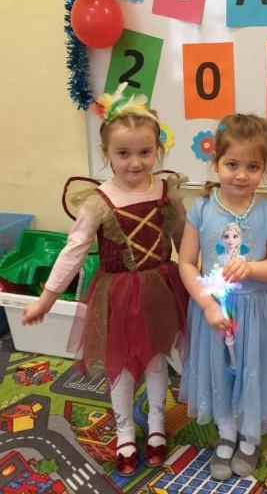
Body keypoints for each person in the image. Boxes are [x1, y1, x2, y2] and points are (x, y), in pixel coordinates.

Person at [22, 83, 188, 477]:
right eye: (123, 153)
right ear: (106, 152)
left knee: (156, 359)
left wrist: (200, 281)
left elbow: (185, 240)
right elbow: (74, 250)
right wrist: (47, 299)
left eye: (145, 152)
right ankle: (125, 431)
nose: (135, 162)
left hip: (161, 289)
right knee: (122, 366)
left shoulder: (167, 193)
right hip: (118, 295)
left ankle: (158, 426)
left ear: (158, 149)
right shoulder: (99, 201)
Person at [178, 113, 267, 481]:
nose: (242, 175)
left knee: (252, 370)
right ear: (216, 162)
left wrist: (252, 267)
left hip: (258, 311)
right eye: (232, 164)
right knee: (220, 371)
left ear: (263, 169)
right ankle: (227, 435)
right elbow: (186, 263)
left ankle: (249, 437)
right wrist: (207, 305)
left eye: (253, 166)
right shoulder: (200, 210)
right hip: (214, 310)